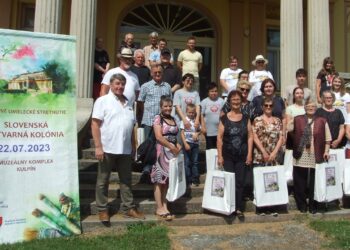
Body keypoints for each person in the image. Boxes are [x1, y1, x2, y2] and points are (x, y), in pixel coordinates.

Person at [91, 73, 145, 223]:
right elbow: (95, 124)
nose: (120, 87)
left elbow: (132, 127)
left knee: (126, 180)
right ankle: (102, 209)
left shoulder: (129, 104)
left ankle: (128, 208)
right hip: (107, 147)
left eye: (122, 84)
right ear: (111, 84)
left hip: (125, 149)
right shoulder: (102, 101)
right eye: (117, 84)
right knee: (103, 180)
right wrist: (98, 146)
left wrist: (134, 146)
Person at [217, 90, 253, 219]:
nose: (236, 102)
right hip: (228, 156)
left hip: (242, 155)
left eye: (238, 100)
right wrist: (220, 156)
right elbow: (220, 138)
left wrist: (249, 154)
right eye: (234, 100)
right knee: (229, 182)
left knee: (240, 182)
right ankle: (228, 207)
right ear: (230, 102)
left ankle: (238, 208)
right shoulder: (224, 118)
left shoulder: (246, 118)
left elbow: (250, 136)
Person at [290, 99, 331, 214]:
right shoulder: (298, 119)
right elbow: (289, 130)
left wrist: (326, 151)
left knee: (314, 181)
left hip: (316, 153)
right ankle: (302, 205)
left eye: (313, 106)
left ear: (316, 108)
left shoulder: (322, 120)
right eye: (308, 106)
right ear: (304, 107)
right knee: (300, 181)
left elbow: (328, 139)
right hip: (301, 153)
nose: (311, 108)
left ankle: (313, 205)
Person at [137, 64, 172, 183]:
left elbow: (169, 103)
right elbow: (140, 103)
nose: (157, 74)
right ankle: (146, 170)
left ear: (163, 73)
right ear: (151, 73)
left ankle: (160, 169)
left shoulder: (167, 86)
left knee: (161, 147)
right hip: (149, 121)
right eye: (155, 72)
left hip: (163, 123)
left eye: (160, 72)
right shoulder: (145, 86)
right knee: (148, 147)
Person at [151, 96, 182, 221]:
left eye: (170, 106)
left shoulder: (174, 119)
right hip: (161, 152)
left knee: (167, 181)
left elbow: (176, 135)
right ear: (161, 107)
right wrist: (171, 146)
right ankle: (159, 207)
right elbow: (158, 137)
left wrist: (177, 146)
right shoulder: (158, 119)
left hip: (172, 154)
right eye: (165, 106)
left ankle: (165, 205)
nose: (168, 108)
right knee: (159, 180)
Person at [252, 97, 284, 216]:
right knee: (260, 181)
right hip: (260, 154)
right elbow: (254, 136)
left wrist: (274, 152)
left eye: (270, 105)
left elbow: (281, 137)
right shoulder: (257, 120)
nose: (268, 107)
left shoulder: (277, 120)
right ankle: (261, 207)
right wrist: (264, 152)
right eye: (266, 105)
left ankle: (272, 206)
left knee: (272, 181)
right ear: (262, 107)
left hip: (274, 155)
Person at [180, 104, 201, 186]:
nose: (191, 114)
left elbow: (200, 130)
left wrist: (197, 133)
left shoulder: (196, 121)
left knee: (195, 162)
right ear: (186, 112)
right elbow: (182, 133)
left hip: (195, 144)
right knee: (187, 162)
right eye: (189, 112)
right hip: (187, 143)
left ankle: (195, 178)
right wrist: (185, 143)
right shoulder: (184, 121)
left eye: (193, 113)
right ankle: (188, 179)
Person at [200, 82, 225, 149]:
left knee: (219, 149)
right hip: (208, 131)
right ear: (208, 92)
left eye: (215, 91)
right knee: (210, 151)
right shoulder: (204, 102)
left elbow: (224, 114)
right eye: (212, 91)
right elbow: (201, 115)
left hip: (219, 131)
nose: (214, 93)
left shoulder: (221, 101)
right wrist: (203, 126)